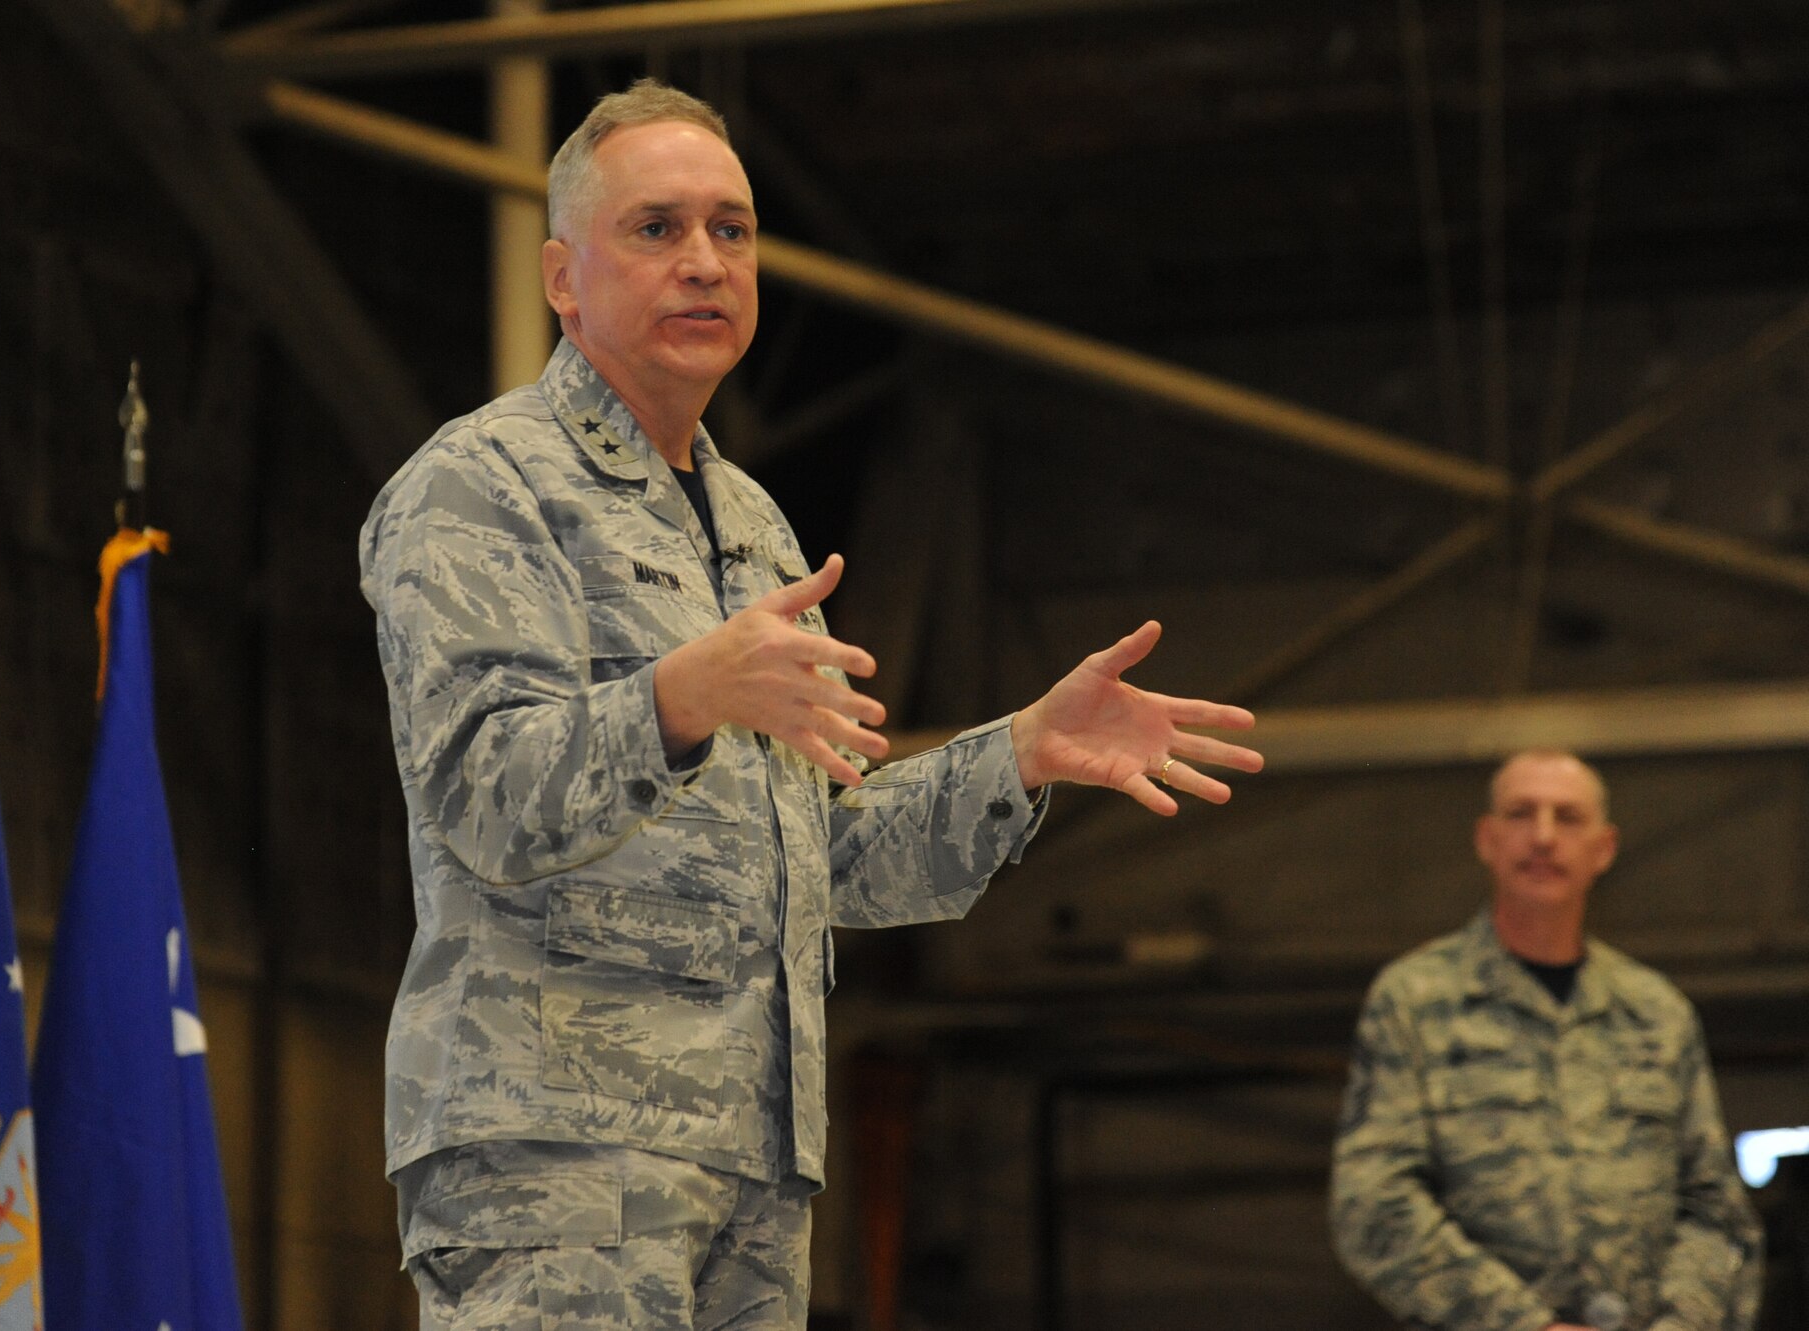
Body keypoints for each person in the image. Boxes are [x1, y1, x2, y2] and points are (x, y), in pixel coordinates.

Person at [358, 79, 1263, 1331]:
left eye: (730, 230)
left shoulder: (749, 524)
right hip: (556, 1162)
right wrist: (677, 696)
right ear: (563, 279)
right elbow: (479, 796)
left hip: (752, 1172)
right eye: (656, 228)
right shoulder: (479, 483)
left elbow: (813, 859)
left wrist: (1016, 756)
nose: (703, 262)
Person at [1331, 750, 1763, 1331]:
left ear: (1603, 848)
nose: (1542, 836)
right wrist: (1522, 1325)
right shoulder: (1415, 999)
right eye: (1520, 813)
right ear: (1486, 839)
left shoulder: (1656, 1012)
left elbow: (1717, 1214)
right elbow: (1374, 1204)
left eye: (1567, 817)